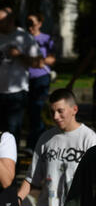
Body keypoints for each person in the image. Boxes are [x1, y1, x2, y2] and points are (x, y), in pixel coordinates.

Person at [0, 5, 41, 143]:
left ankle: (11, 157)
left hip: (16, 92)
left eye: (1, 21)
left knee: (12, 131)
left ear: (11, 20)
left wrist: (19, 55)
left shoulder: (24, 37)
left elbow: (38, 63)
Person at [26, 12, 56, 150]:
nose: (29, 27)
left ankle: (36, 145)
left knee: (37, 110)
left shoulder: (46, 39)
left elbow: (52, 59)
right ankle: (32, 144)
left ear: (39, 23)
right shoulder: (23, 38)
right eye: (27, 23)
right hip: (24, 79)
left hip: (41, 78)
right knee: (28, 112)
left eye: (32, 23)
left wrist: (38, 61)